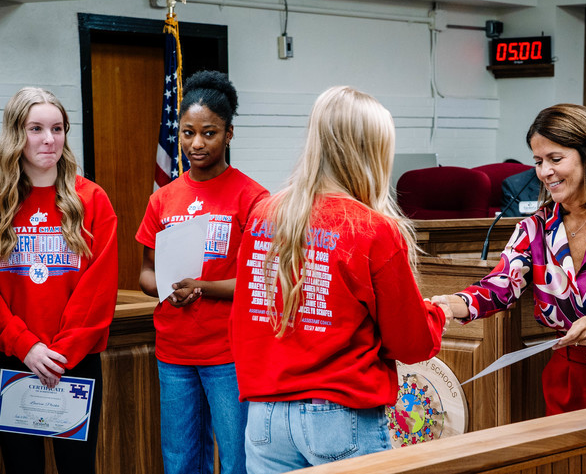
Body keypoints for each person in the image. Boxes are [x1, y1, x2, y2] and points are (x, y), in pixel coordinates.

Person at [231, 86, 449, 473]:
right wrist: (436, 314)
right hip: (339, 416)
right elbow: (411, 343)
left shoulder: (265, 215)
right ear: (371, 152)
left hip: (264, 416)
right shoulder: (372, 229)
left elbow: (245, 320)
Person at [433, 103, 586, 415]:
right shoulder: (535, 228)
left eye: (555, 159)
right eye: (538, 161)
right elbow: (497, 288)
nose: (544, 171)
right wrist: (449, 304)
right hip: (571, 378)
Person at [136, 71, 268, 474]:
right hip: (173, 352)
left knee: (235, 460)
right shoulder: (164, 198)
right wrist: (167, 288)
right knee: (179, 460)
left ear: (229, 134)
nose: (196, 143)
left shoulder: (253, 198)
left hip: (228, 353)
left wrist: (203, 288)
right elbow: (144, 273)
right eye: (189, 133)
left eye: (209, 133)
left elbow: (257, 281)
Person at [0, 88, 117, 472]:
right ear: (16, 133)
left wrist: (62, 353)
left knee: (77, 468)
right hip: (11, 359)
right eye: (36, 128)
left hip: (75, 362)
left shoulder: (92, 199)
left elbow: (99, 287)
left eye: (57, 128)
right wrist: (26, 345)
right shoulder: (2, 200)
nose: (49, 139)